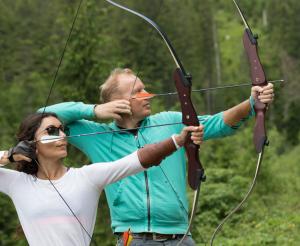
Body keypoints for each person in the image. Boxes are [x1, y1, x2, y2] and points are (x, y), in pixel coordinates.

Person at [40, 68, 274, 245]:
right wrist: (92, 110)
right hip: (133, 238)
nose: (147, 95)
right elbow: (40, 119)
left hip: (180, 236)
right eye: (138, 91)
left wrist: (252, 103)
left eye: (145, 88)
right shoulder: (97, 135)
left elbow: (217, 123)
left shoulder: (168, 122)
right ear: (118, 102)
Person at [0, 112, 203, 246]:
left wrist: (177, 140)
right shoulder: (18, 183)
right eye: (52, 131)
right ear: (30, 142)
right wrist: (9, 156)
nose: (62, 136)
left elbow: (136, 160)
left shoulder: (86, 177)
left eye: (62, 129)